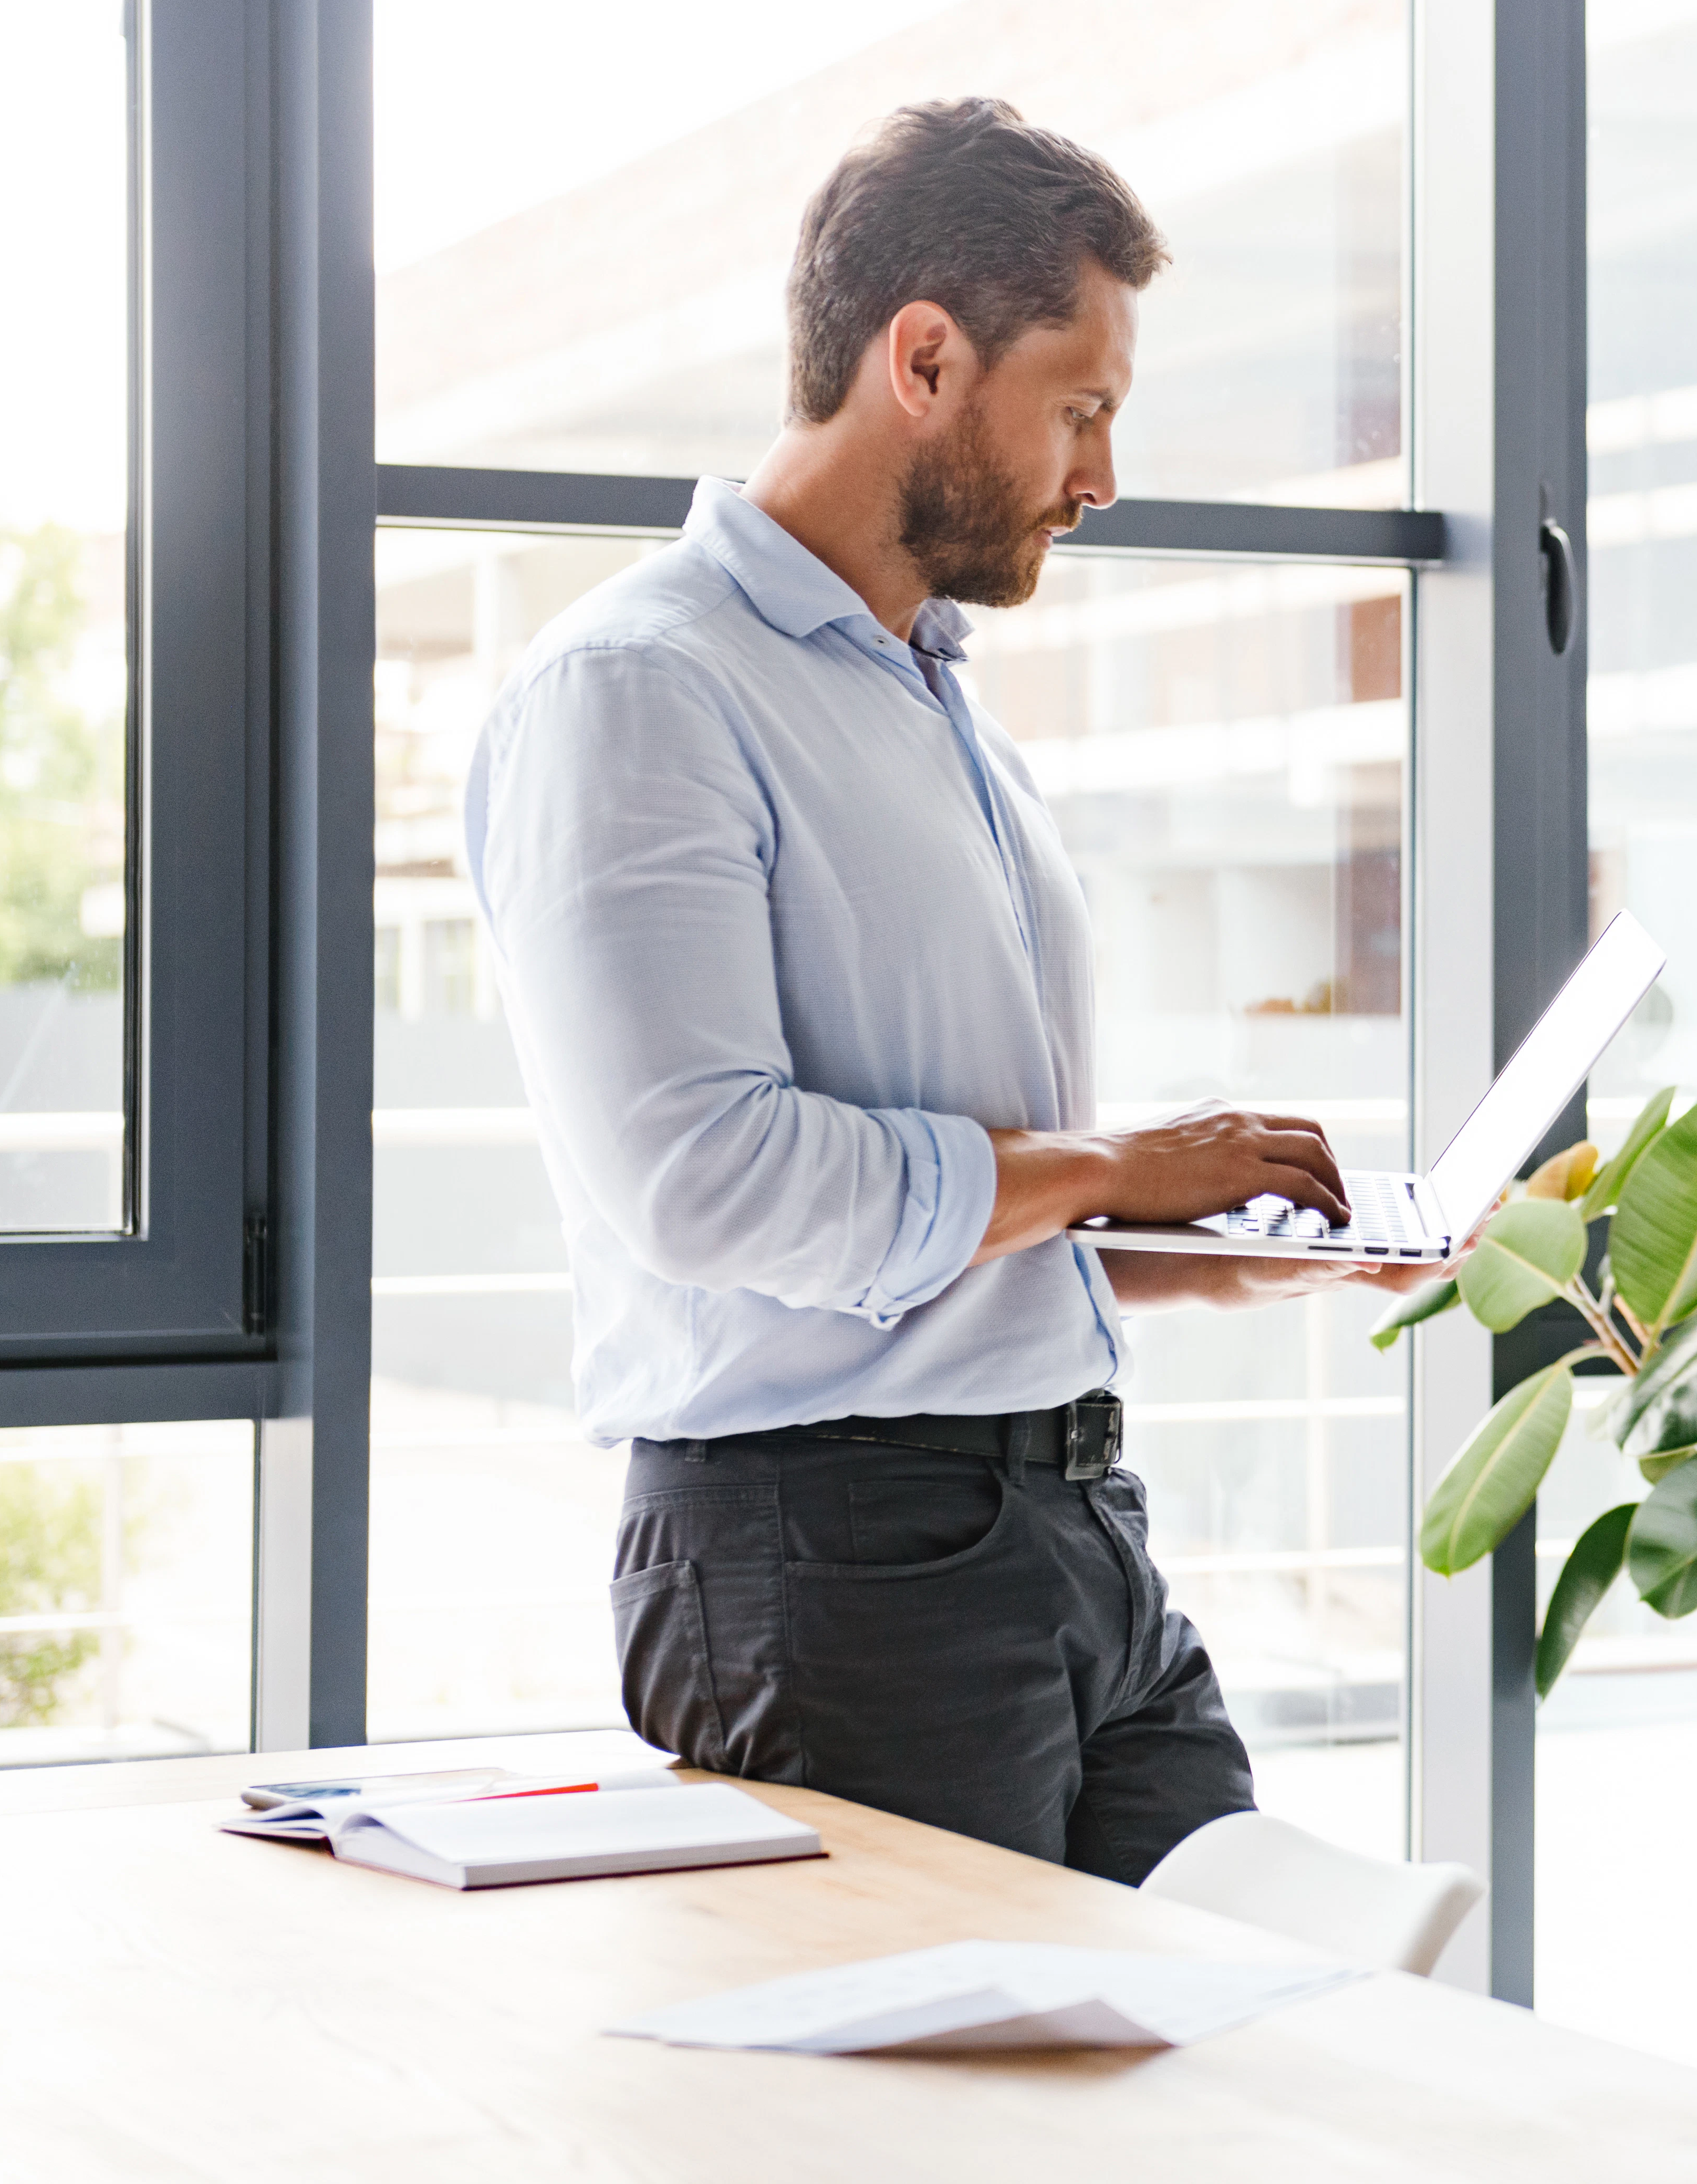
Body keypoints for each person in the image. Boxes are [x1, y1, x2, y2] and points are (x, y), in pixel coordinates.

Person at [464, 98, 1429, 1879]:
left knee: (1243, 2040)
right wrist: (1120, 1165)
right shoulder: (639, 692)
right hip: (832, 1556)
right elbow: (703, 1181)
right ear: (922, 357)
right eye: (1081, 409)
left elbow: (990, 1212)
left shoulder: (940, 710)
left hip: (1069, 1525)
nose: (1102, 476)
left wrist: (1244, 1232)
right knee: (939, 2126)